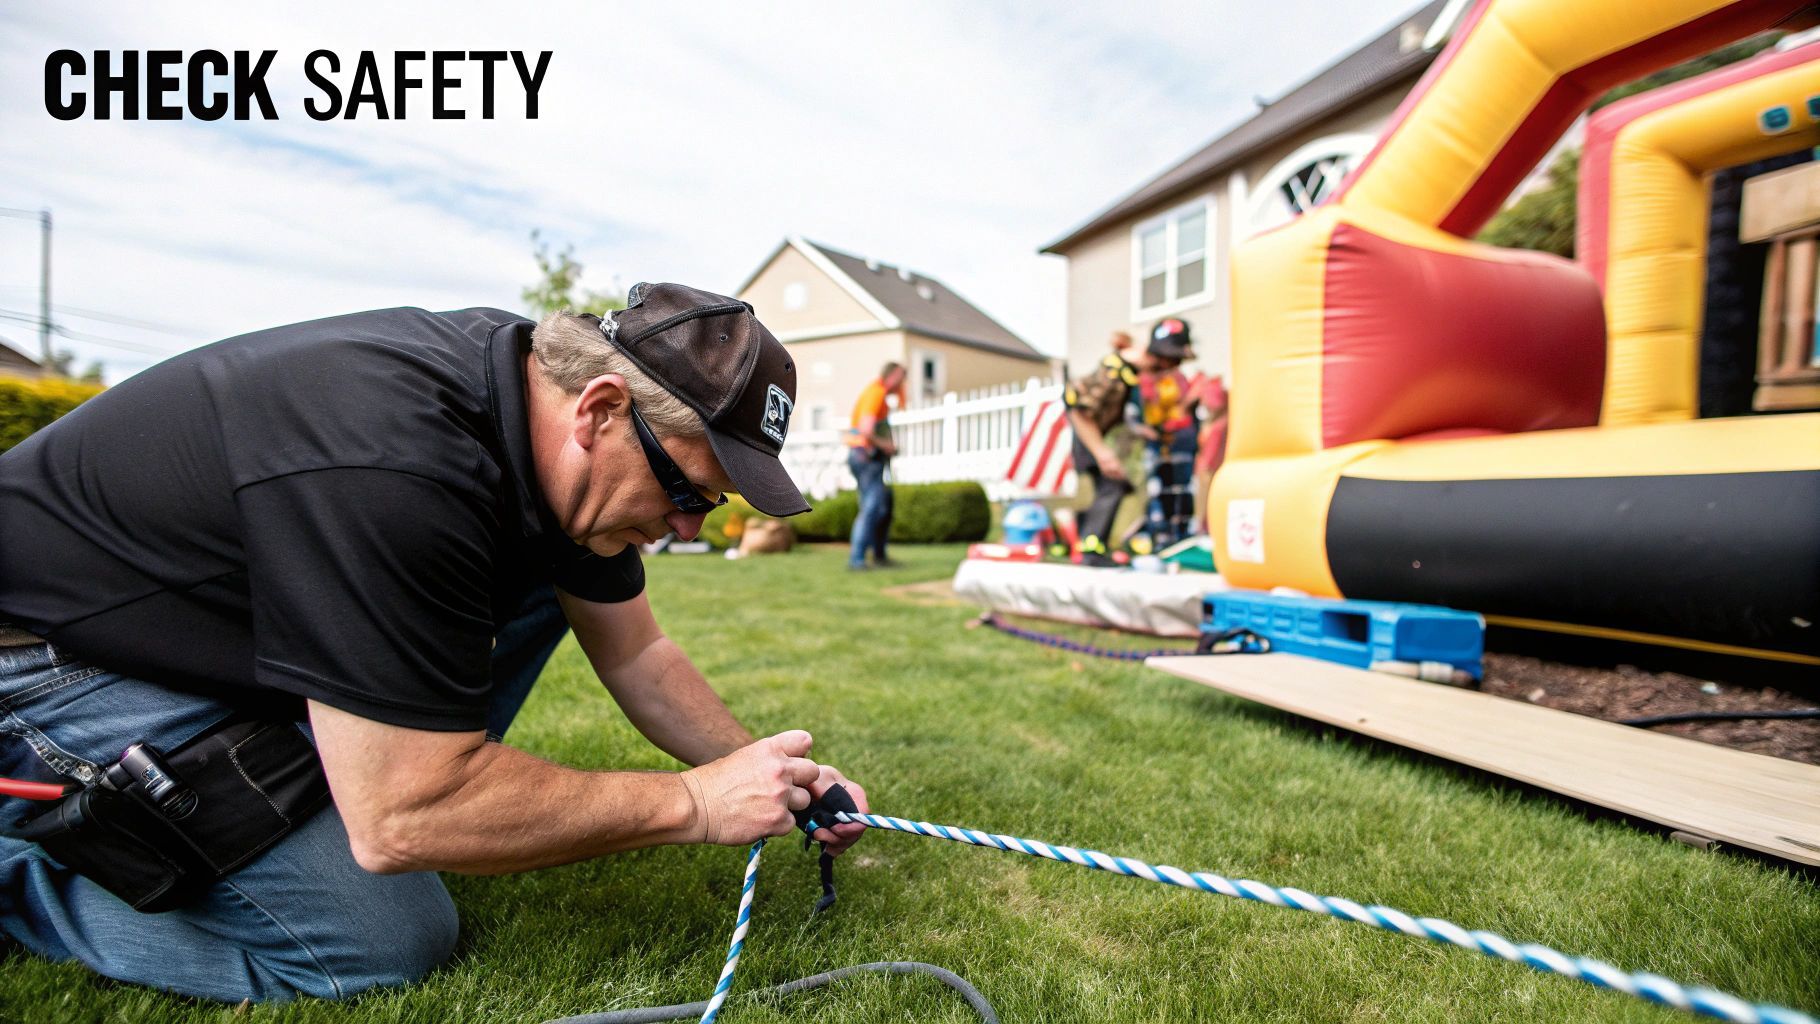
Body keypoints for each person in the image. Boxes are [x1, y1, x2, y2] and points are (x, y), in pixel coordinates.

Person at [0, 283, 871, 1003]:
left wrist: (766, 769)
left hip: (190, 627)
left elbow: (638, 655)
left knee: (544, 583)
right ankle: (15, 878)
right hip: (44, 657)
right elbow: (397, 822)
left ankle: (373, 762)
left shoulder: (533, 415)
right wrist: (693, 805)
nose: (686, 525)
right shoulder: (396, 463)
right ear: (601, 410)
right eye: (686, 487)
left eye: (709, 505)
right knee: (374, 941)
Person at [1063, 328, 1188, 567]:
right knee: (1112, 485)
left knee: (1114, 486)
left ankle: (1092, 545)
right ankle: (1090, 549)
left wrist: (1141, 430)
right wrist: (1102, 452)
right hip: (1087, 434)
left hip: (1095, 434)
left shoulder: (1129, 373)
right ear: (1158, 358)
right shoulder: (1115, 372)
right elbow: (1080, 412)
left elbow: (1115, 414)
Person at [1127, 319, 1199, 551]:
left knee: (1183, 490)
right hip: (1156, 443)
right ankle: (1160, 537)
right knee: (1158, 491)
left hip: (1182, 440)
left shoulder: (1178, 379)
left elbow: (1186, 409)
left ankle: (1181, 537)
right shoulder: (1141, 379)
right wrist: (1143, 429)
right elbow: (1133, 415)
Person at [845, 361, 907, 571]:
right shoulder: (876, 393)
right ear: (892, 375)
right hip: (865, 457)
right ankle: (857, 559)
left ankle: (878, 555)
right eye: (901, 377)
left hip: (868, 458)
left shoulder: (879, 394)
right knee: (872, 507)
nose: (903, 382)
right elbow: (865, 429)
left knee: (883, 506)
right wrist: (887, 446)